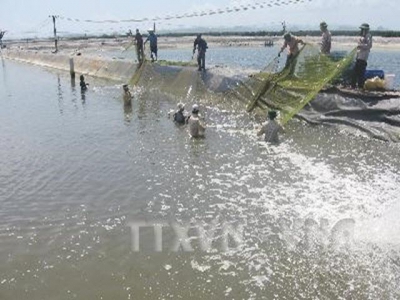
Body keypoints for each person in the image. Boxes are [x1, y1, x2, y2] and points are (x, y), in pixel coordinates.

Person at [351, 23, 373, 89]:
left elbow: (369, 46)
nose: (362, 30)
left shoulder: (368, 36)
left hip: (363, 59)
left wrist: (360, 46)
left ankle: (360, 88)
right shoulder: (362, 36)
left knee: (360, 74)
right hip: (358, 58)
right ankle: (353, 87)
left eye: (363, 29)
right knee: (354, 73)